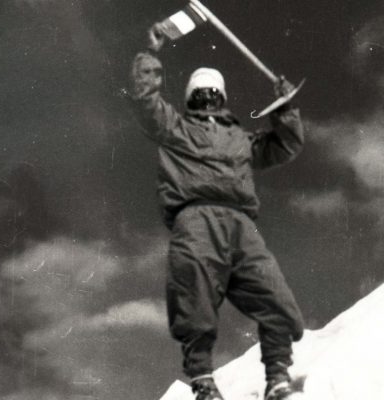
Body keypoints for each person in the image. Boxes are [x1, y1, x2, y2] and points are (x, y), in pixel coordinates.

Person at [128, 26, 305, 400]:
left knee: (275, 299)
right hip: (195, 219)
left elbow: (285, 146)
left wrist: (285, 108)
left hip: (240, 224)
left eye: (213, 94)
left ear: (222, 98)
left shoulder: (239, 138)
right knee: (194, 300)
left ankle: (278, 378)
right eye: (200, 94)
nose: (207, 99)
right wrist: (150, 54)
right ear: (192, 98)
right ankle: (203, 381)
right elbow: (146, 102)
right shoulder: (175, 128)